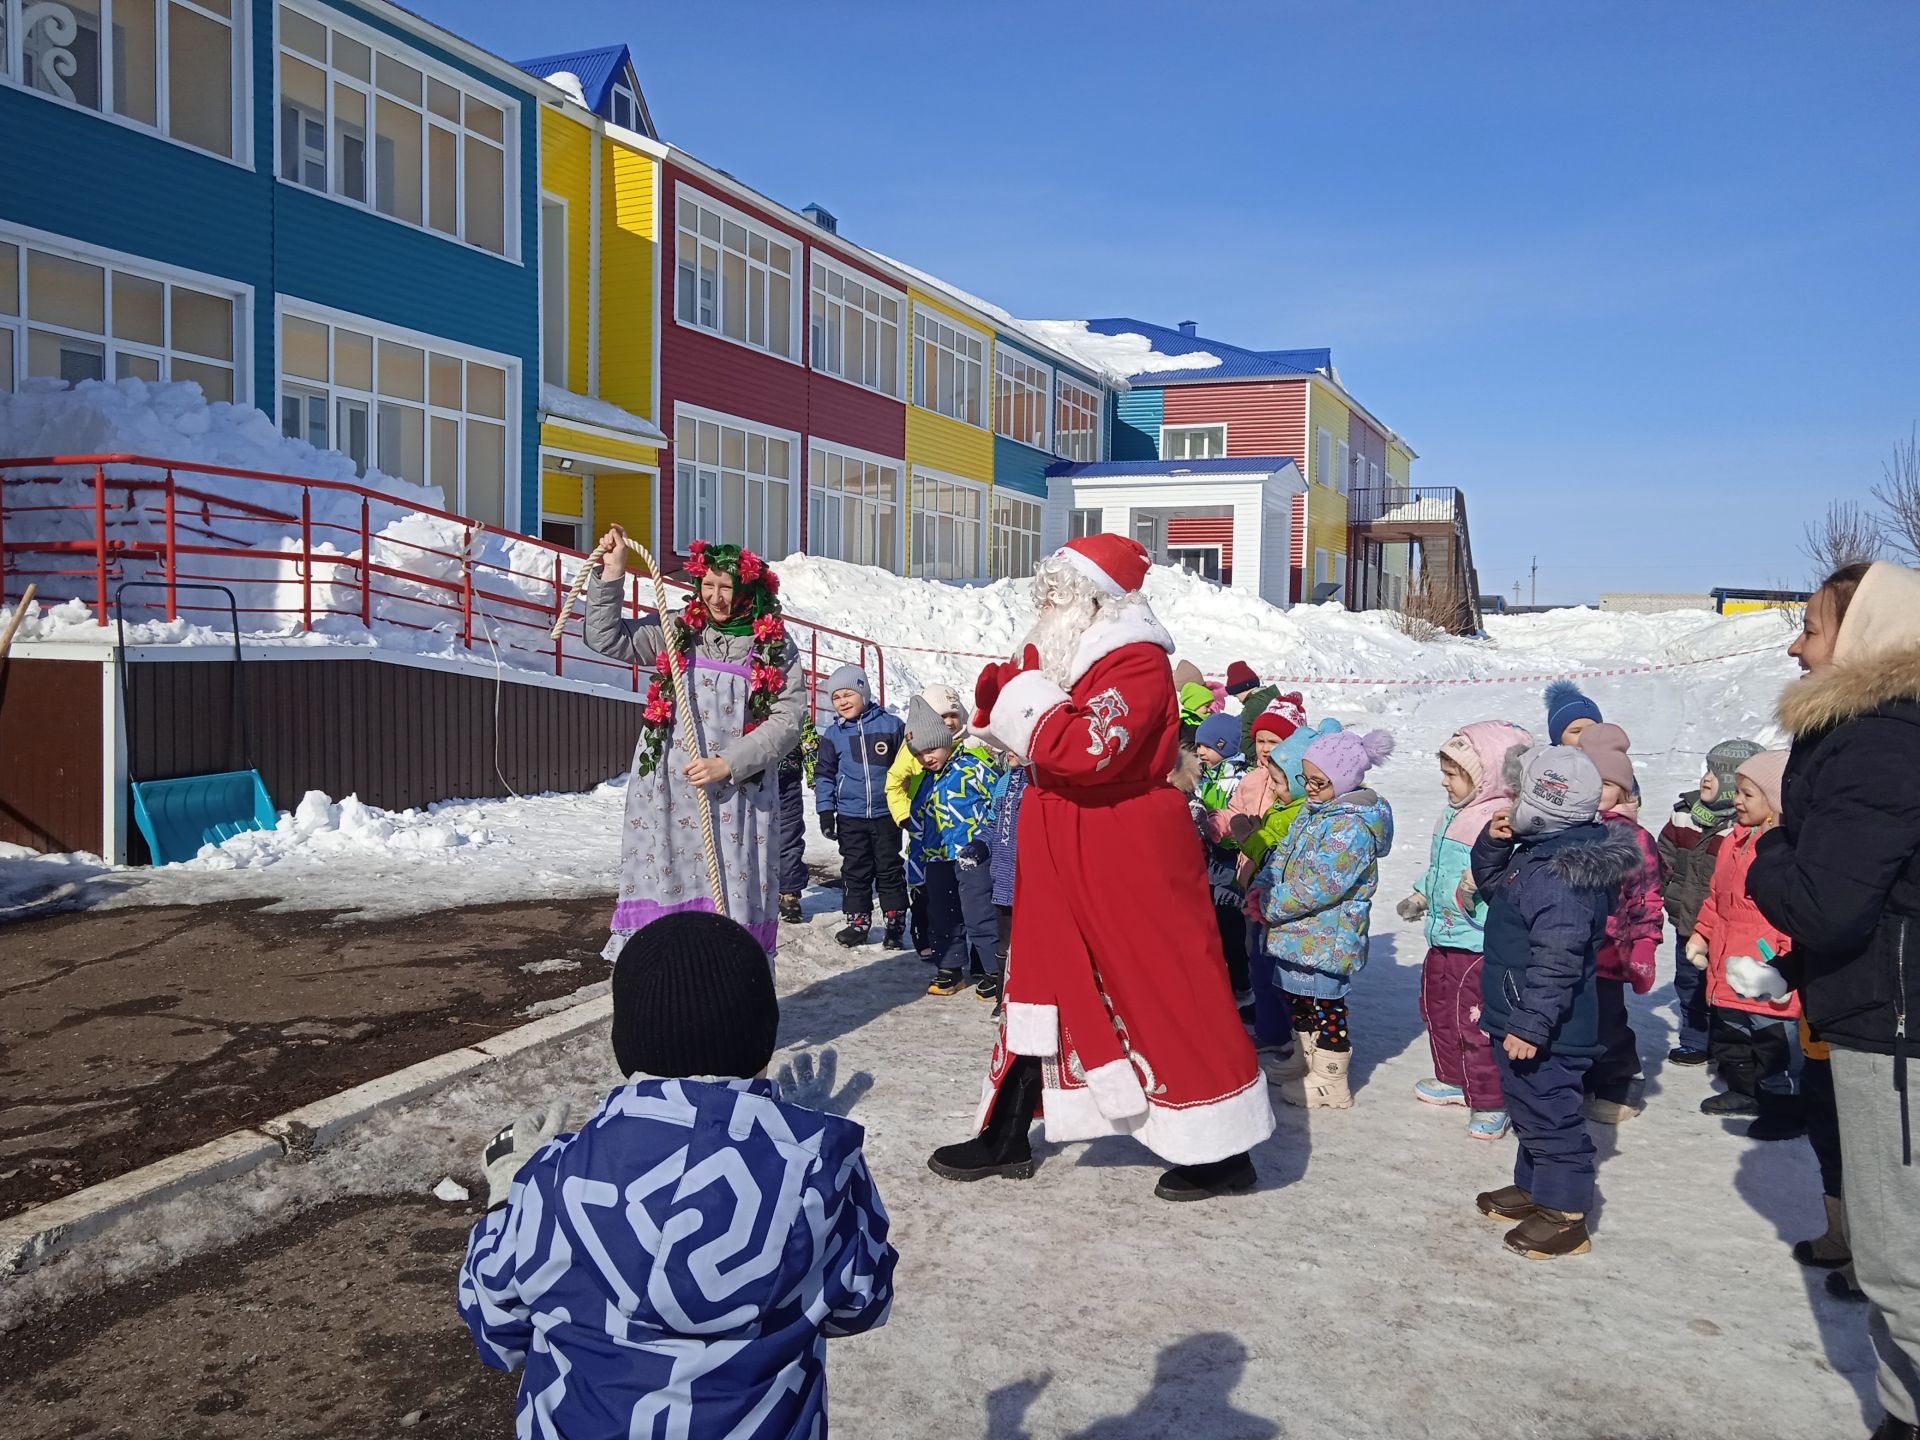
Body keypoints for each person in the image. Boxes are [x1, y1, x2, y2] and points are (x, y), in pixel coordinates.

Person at [927, 534, 1275, 1202]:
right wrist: (1005, 702)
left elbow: (1086, 749)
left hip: (1126, 850)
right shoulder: (1073, 661)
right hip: (1064, 841)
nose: (1047, 605)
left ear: (1095, 599)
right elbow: (1026, 734)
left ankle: (1222, 1144)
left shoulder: (1136, 662)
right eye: (1046, 593)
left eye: (1059, 593)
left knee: (1165, 987)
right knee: (1037, 981)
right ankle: (1005, 1132)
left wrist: (1024, 696)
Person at [457, 911, 897, 1437]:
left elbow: (496, 1327)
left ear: (626, 1039)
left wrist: (507, 1193)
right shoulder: (821, 1172)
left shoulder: (553, 1176)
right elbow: (861, 1304)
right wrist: (799, 1143)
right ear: (762, 1036)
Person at [1749, 560, 1920, 1440]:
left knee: (1903, 1268)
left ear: (1863, 641)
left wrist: (1773, 846)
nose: (1795, 643)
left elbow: (1825, 898)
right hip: (1881, 1012)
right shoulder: (1878, 733)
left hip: (1898, 1034)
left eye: (1812, 628)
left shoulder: (1882, 737)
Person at [583, 526, 805, 956]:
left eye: (726, 587)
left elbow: (788, 717)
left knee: (729, 888)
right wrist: (612, 575)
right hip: (669, 789)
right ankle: (667, 991)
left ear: (747, 590)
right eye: (707, 585)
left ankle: (729, 997)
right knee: (668, 881)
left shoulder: (773, 644)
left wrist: (731, 762)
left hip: (738, 796)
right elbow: (606, 638)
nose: (716, 598)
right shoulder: (677, 631)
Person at [1471, 744, 1640, 1260]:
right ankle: (1535, 1189)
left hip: (1545, 1026)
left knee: (1551, 1114)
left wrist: (1531, 1024)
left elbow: (1558, 959)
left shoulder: (1560, 877)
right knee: (1528, 1106)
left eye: (1522, 793)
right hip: (1521, 1013)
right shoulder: (1539, 857)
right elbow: (1497, 890)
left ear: (1542, 805)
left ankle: (1566, 1215)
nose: (1514, 801)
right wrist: (1494, 846)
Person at [1245, 729, 1395, 1109]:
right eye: (1305, 780)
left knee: (1327, 1004)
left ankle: (1332, 1078)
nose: (1309, 789)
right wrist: (1261, 886)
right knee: (1299, 996)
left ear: (1342, 782)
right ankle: (1305, 1057)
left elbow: (1322, 883)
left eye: (1318, 782)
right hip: (1299, 933)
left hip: (1328, 936)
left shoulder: (1352, 827)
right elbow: (1281, 857)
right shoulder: (1313, 814)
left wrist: (1271, 905)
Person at [1401, 720, 1532, 1141]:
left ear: (1486, 776)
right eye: (1445, 772)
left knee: (1474, 1021)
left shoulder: (1502, 819)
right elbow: (1441, 870)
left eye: (1453, 774)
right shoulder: (1453, 814)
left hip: (1476, 940)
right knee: (1437, 1009)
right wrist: (1423, 895)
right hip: (1442, 935)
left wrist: (1478, 881)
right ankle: (1453, 1078)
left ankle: (1490, 1098)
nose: (1445, 782)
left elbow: (1507, 879)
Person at [1689, 751, 1799, 1125]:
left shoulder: (1786, 847)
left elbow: (1793, 912)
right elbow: (1717, 898)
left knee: (1772, 1040)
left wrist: (1786, 963)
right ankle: (1742, 1089)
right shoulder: (1732, 842)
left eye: (1748, 794)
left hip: (1765, 962)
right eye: (1737, 792)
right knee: (1733, 1031)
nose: (1736, 800)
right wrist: (1702, 936)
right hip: (1727, 958)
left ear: (1774, 802)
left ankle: (1782, 1105)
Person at [1657, 739, 1765, 1064]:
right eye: (1707, 769)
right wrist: (1661, 890)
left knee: (1724, 986)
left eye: (1717, 773)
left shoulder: (1744, 828)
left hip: (1725, 929)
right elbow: (1662, 859)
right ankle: (1695, 1039)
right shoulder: (1684, 816)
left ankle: (1727, 1045)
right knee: (1688, 984)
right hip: (1686, 921)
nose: (1706, 778)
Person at [1578, 723, 1664, 1125]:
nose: (1597, 793)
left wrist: (1645, 945)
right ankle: (1582, 1077)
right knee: (1574, 1014)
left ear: (1624, 790)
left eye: (1606, 784)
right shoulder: (1572, 827)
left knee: (1606, 1019)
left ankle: (1618, 1082)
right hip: (1571, 943)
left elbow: (1646, 895)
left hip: (1611, 946)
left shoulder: (1635, 838)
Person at [905, 697, 1000, 998]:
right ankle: (950, 967)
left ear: (945, 740)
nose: (926, 758)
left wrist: (993, 843)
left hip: (972, 856)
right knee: (943, 914)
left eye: (931, 749)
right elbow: (917, 827)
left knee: (978, 911)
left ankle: (993, 969)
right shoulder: (924, 782)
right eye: (919, 754)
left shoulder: (973, 767)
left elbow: (997, 803)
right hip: (937, 859)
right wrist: (916, 868)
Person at [814, 664, 908, 949]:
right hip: (850, 816)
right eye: (836, 697)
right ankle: (858, 922)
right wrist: (825, 810)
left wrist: (907, 805)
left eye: (848, 694)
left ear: (863, 692)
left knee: (889, 867)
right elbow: (824, 774)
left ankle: (895, 922)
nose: (842, 702)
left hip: (886, 814)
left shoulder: (891, 726)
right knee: (855, 869)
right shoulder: (833, 735)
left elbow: (907, 767)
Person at [887, 684, 982, 957]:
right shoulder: (915, 748)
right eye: (942, 717)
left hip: (965, 837)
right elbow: (893, 783)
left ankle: (977, 954)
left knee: (969, 897)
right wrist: (905, 817)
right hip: (926, 832)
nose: (949, 722)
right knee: (928, 891)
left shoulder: (973, 743)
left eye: (953, 714)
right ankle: (930, 941)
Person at [1193, 712, 1251, 1009]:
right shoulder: (1205, 776)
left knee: (1231, 926)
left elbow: (1238, 815)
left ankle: (1244, 988)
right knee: (1213, 922)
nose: (1199, 751)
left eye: (1205, 746)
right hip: (1209, 858)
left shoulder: (1239, 779)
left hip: (1230, 859)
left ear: (1223, 745)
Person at [985, 751, 1030, 1003]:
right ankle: (1002, 997)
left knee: (1030, 944)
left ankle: (1026, 996)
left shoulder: (1038, 783)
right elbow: (994, 823)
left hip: (1030, 880)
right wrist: (981, 844)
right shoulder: (1004, 781)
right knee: (1004, 942)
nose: (1010, 750)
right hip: (1003, 878)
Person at [774, 718, 817, 925]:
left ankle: (789, 892)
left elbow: (809, 742)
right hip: (751, 778)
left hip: (787, 780)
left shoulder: (794, 708)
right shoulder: (748, 699)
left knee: (789, 836)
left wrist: (815, 776)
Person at [1544, 679, 1603, 747]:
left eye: (1593, 731)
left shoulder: (1612, 755)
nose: (1586, 737)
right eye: (1576, 731)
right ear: (1558, 739)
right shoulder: (1550, 757)